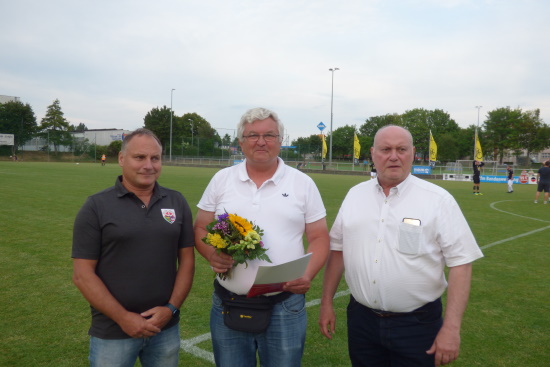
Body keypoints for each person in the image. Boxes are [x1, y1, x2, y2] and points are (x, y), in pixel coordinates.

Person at [319, 125, 484, 367]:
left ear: (413, 153)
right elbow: (337, 251)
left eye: (401, 149)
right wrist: (326, 303)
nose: (394, 156)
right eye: (386, 149)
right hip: (361, 321)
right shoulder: (355, 195)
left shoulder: (438, 200)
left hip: (417, 325)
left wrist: (451, 328)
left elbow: (461, 263)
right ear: (373, 154)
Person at [194, 107, 330, 367]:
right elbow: (200, 227)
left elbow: (319, 237)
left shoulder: (302, 183)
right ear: (241, 142)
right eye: (252, 135)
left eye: (269, 135)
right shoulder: (222, 179)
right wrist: (212, 254)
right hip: (228, 300)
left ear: (280, 140)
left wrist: (307, 275)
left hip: (285, 305)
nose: (261, 141)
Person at [72, 128, 195, 367]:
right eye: (139, 157)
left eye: (155, 158)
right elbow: (82, 275)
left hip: (165, 327)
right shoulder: (96, 206)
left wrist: (170, 309)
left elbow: (187, 262)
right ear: (121, 159)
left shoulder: (176, 201)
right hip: (113, 330)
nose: (148, 165)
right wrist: (123, 317)